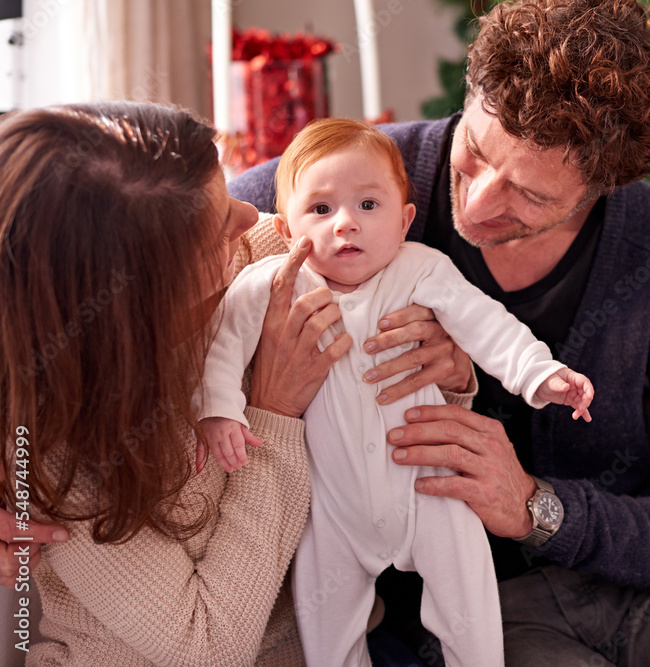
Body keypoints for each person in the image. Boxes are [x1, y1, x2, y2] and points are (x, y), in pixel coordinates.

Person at [228, 0, 650, 664]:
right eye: (474, 153)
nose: (477, 204)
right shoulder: (351, 184)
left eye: (530, 196)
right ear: (469, 97)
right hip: (481, 609)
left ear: (603, 188)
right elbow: (163, 254)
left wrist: (536, 506)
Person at [0, 102, 469, 665]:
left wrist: (451, 370)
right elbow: (209, 646)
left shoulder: (277, 255)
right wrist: (273, 412)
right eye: (220, 227)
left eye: (225, 193)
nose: (251, 214)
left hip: (350, 641)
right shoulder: (60, 444)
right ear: (148, 294)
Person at [197, 117, 593, 666]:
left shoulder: (421, 270)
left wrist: (539, 373)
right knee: (326, 626)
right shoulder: (271, 283)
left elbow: (488, 326)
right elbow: (224, 347)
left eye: (368, 205)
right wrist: (218, 410)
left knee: (468, 600)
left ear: (404, 220)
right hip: (331, 505)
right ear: (287, 232)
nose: (345, 226)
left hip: (428, 489)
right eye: (320, 210)